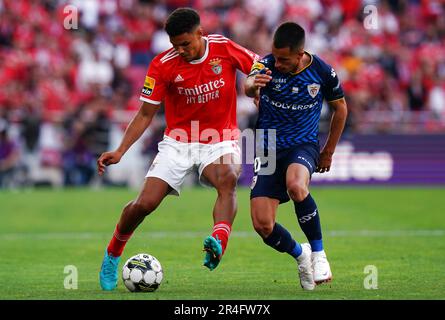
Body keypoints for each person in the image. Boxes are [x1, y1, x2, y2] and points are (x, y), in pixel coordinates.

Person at [97, 8, 259, 290]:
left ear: (200, 33)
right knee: (144, 204)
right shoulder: (162, 65)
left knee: (228, 177)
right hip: (179, 141)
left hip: (219, 137)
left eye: (186, 43)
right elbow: (146, 114)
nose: (181, 50)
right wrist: (120, 150)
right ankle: (113, 253)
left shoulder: (224, 48)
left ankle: (218, 241)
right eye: (175, 45)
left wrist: (255, 87)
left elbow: (257, 67)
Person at [244, 22, 347, 290]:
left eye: (284, 59)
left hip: (303, 144)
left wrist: (328, 151)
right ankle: (301, 255)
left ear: (300, 53)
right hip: (267, 145)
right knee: (263, 225)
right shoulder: (266, 64)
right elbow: (247, 86)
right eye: (275, 57)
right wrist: (254, 85)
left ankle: (319, 253)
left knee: (296, 186)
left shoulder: (322, 71)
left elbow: (341, 109)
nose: (277, 64)